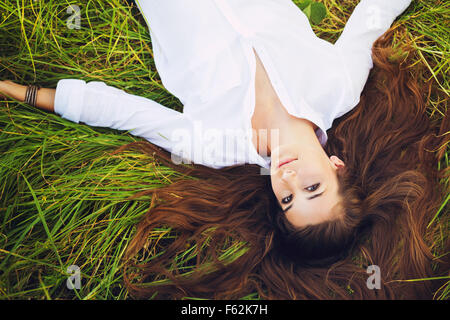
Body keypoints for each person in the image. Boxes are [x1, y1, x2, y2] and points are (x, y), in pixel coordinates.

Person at [0, 0, 448, 299]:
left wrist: (21, 91)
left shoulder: (213, 145)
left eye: (288, 199)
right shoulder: (339, 89)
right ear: (337, 165)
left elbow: (123, 111)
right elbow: (374, 13)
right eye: (313, 186)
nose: (289, 179)